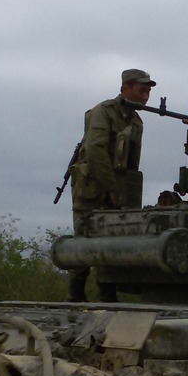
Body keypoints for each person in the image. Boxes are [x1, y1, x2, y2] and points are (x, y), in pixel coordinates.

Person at [66, 68, 151, 302]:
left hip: (116, 188)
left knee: (113, 238)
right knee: (84, 238)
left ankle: (107, 295)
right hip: (92, 185)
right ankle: (75, 296)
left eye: (148, 92)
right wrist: (111, 187)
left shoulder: (136, 121)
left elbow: (132, 162)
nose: (145, 97)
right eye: (141, 90)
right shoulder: (103, 112)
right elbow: (95, 152)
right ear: (125, 88)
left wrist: (125, 192)